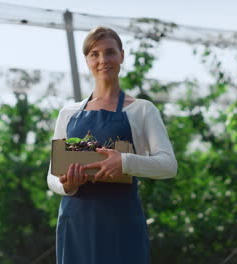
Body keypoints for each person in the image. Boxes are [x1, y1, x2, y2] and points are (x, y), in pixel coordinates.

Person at [47, 26, 177, 264]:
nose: (102, 60)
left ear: (122, 56)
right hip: (76, 224)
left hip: (121, 224)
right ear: (87, 60)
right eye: (94, 54)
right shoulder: (68, 114)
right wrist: (67, 185)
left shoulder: (141, 110)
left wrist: (125, 162)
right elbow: (52, 177)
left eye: (110, 52)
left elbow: (168, 165)